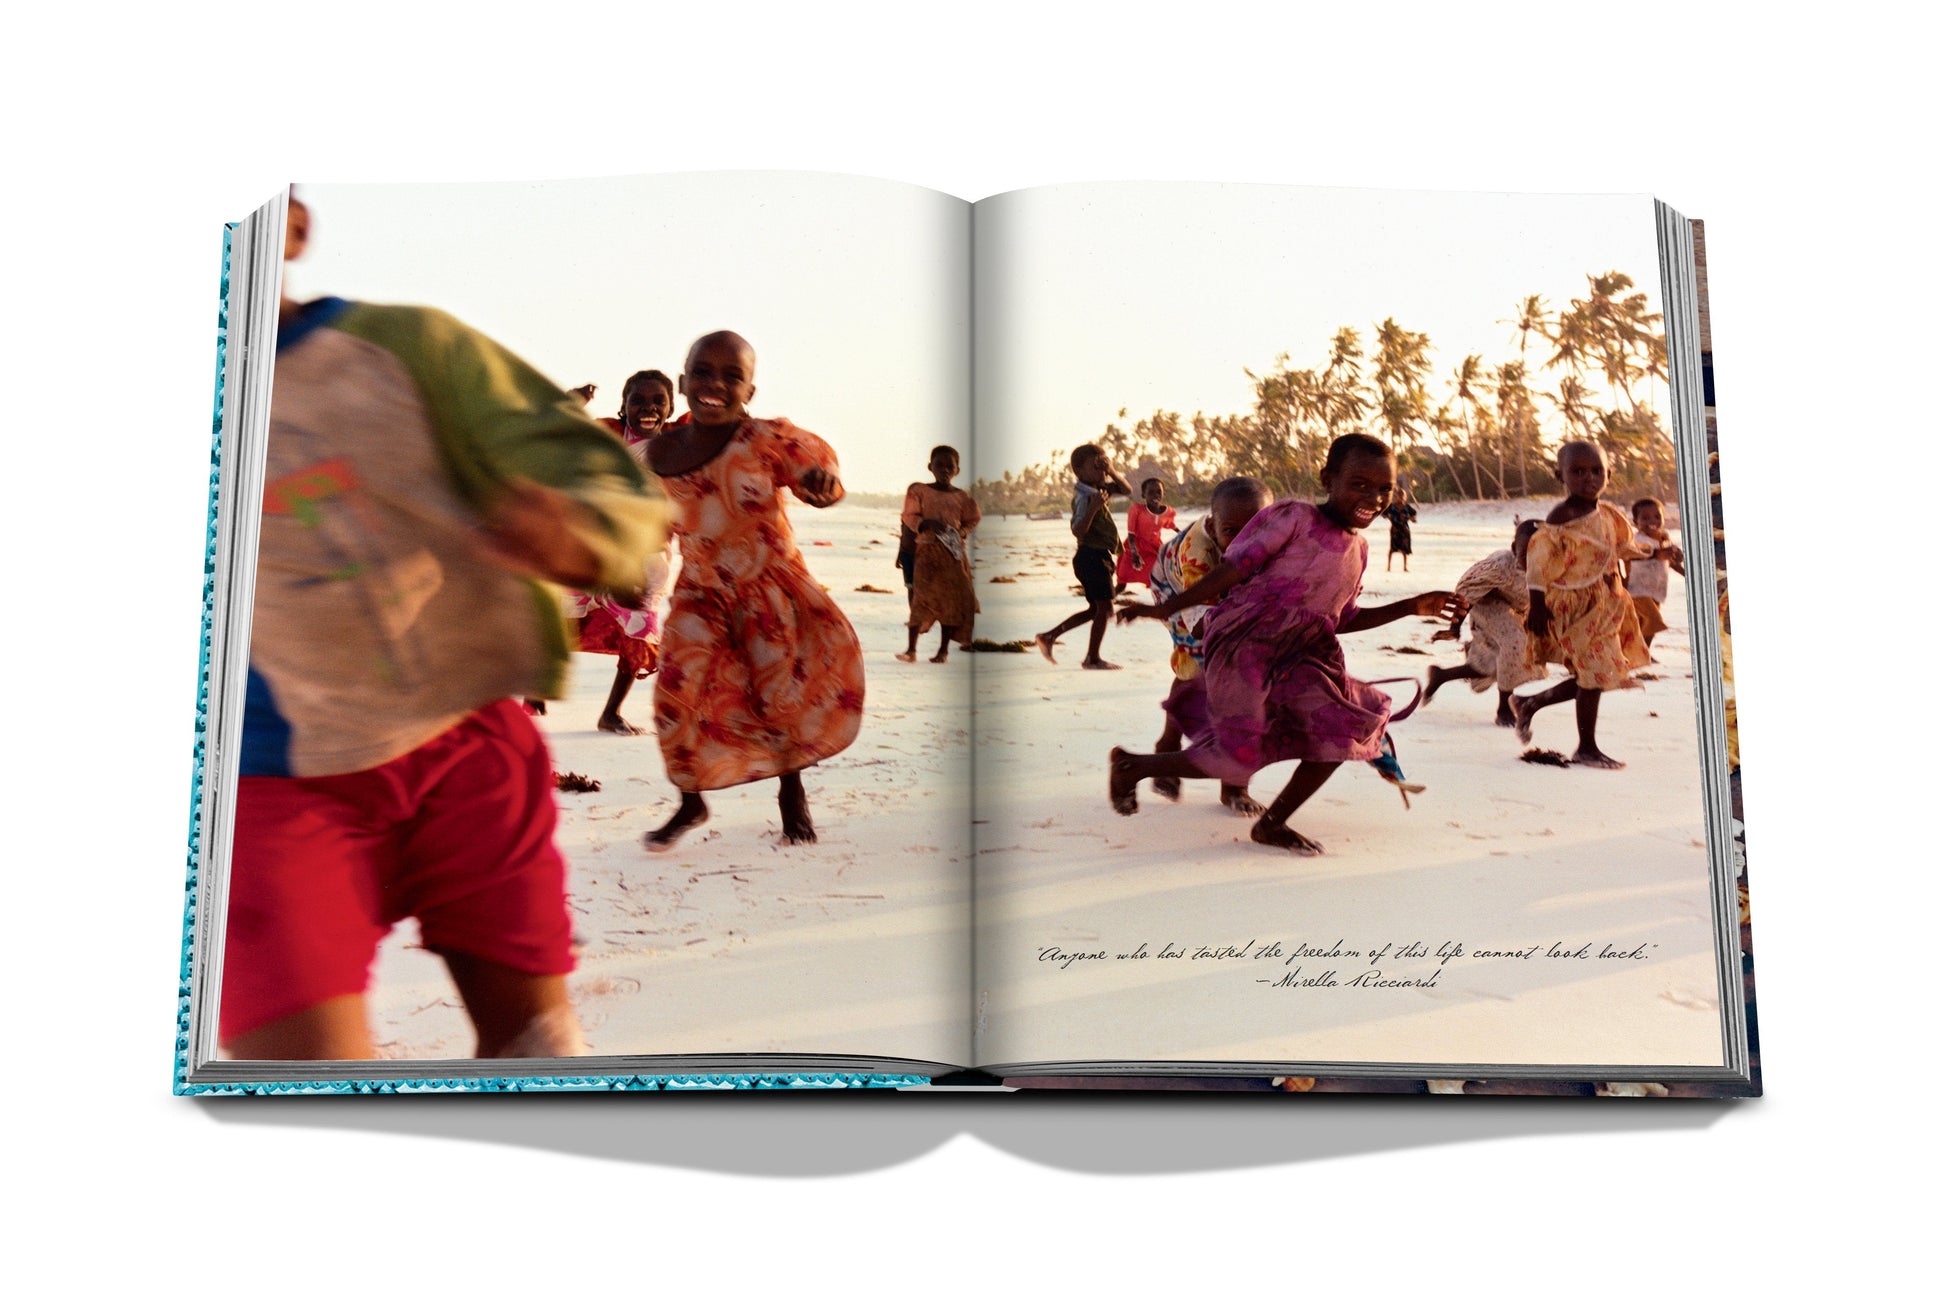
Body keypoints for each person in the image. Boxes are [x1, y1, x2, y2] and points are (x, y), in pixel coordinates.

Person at [223, 195, 665, 1061]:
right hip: (263, 785)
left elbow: (604, 479)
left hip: (461, 747)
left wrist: (576, 528)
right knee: (300, 1080)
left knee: (535, 1044)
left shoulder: (411, 350)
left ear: (292, 226)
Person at [1111, 434, 1463, 854]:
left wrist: (1410, 606)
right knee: (1236, 756)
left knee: (1344, 730)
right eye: (1359, 484)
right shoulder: (1293, 517)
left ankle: (1271, 824)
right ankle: (1132, 766)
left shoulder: (1360, 548)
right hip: (1246, 647)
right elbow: (1233, 569)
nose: (1374, 497)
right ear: (1328, 479)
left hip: (1304, 654)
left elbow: (1341, 617)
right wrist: (1168, 608)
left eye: (1384, 488)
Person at [643, 330, 864, 850]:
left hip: (770, 591)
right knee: (674, 693)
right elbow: (648, 527)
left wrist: (821, 487)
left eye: (731, 375)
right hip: (700, 592)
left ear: (749, 392)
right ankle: (691, 800)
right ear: (683, 382)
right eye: (702, 372)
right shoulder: (658, 454)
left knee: (777, 700)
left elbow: (822, 482)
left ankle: (792, 793)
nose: (714, 383)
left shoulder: (765, 440)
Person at [534, 369, 679, 733]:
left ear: (671, 408)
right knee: (567, 619)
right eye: (638, 401)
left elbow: (725, 427)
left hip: (646, 556)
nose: (648, 409)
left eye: (658, 401)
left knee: (641, 628)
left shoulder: (680, 441)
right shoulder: (607, 434)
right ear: (623, 406)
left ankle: (610, 712)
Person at [1509, 441, 1653, 767]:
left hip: (1606, 605)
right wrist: (1537, 604)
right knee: (1595, 674)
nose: (1589, 478)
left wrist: (1655, 553)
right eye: (1578, 471)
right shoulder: (1562, 516)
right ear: (1559, 474)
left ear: (1609, 474)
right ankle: (1586, 747)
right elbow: (1538, 562)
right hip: (1574, 606)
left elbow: (1621, 547)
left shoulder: (1609, 514)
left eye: (1596, 470)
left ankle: (1529, 704)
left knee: (1595, 674)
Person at [1138, 476, 1274, 813]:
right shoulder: (1196, 557)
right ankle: (1170, 743)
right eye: (1231, 531)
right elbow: (1201, 626)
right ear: (1213, 528)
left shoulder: (1275, 540)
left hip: (1224, 583)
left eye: (1255, 530)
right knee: (1196, 661)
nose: (1244, 541)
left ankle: (1233, 781)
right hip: (1175, 586)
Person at [1423, 520, 1547, 726]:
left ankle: (1441, 675)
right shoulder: (1501, 565)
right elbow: (1468, 591)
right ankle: (1504, 708)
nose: (1533, 560)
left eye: (1539, 553)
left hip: (1516, 609)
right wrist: (1454, 627)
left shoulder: (1553, 567)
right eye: (1526, 554)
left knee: (1494, 664)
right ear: (1514, 548)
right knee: (1515, 643)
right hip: (1486, 603)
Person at [1034, 443, 1131, 669]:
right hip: (1090, 557)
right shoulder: (1084, 497)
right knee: (1105, 609)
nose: (1101, 472)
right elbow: (1077, 529)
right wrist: (1094, 508)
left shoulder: (1099, 489)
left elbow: (1126, 490)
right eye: (1096, 467)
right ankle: (1092, 658)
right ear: (1079, 472)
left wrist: (1112, 470)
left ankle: (1049, 636)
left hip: (1098, 556)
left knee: (1095, 609)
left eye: (1103, 466)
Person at [897, 445, 982, 663]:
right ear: (930, 467)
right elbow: (908, 516)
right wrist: (925, 523)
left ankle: (943, 651)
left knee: (950, 603)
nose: (944, 470)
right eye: (939, 465)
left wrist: (961, 532)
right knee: (920, 599)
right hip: (926, 553)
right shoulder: (918, 491)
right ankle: (911, 650)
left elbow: (972, 519)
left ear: (957, 470)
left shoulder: (962, 497)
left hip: (953, 554)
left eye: (949, 467)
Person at [1626, 496, 1686, 656]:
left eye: (1657, 516)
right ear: (1635, 522)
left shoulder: (1664, 538)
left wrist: (1685, 572)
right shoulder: (1637, 539)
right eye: (1645, 518)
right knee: (1653, 621)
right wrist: (1655, 555)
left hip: (1657, 589)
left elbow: (1671, 562)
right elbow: (1634, 555)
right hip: (1638, 589)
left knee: (1645, 625)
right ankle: (1641, 654)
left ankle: (1642, 653)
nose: (1652, 521)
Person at [1115, 476, 1178, 594]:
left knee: (1157, 580)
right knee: (1122, 581)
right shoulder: (1136, 510)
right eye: (1151, 492)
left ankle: (1160, 607)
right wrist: (1134, 554)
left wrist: (1184, 535)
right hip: (1133, 548)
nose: (1155, 495)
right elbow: (1131, 534)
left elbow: (1171, 525)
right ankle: (1104, 605)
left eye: (1159, 492)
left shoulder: (1166, 512)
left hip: (1153, 550)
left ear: (1164, 494)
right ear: (1144, 495)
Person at [1383, 488, 1418, 572]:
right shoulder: (1392, 506)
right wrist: (1389, 518)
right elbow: (1384, 513)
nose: (1401, 497)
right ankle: (1388, 566)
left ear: (1405, 497)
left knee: (1404, 549)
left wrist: (1412, 519)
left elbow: (1414, 517)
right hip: (1395, 529)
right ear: (1396, 496)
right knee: (1392, 548)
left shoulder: (1407, 507)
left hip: (1404, 529)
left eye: (1403, 495)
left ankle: (1405, 567)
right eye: (1399, 495)